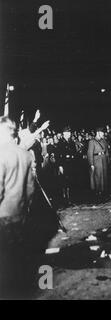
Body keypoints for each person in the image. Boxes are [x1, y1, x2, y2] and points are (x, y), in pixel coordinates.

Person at [0, 116, 36, 298]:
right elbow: (30, 189)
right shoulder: (24, 154)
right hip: (20, 212)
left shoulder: (1, 154)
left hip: (3, 213)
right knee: (17, 252)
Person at [57, 126, 78, 204]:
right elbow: (58, 156)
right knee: (64, 181)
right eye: (68, 132)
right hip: (64, 164)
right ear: (64, 133)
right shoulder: (60, 142)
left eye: (69, 132)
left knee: (70, 180)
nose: (69, 134)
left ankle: (70, 198)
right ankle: (65, 198)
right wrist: (60, 166)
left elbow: (74, 152)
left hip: (71, 163)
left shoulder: (71, 142)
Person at [87, 127, 109, 201]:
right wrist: (91, 164)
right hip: (96, 160)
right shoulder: (92, 141)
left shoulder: (104, 141)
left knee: (104, 176)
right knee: (97, 177)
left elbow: (106, 151)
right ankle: (97, 193)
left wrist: (107, 159)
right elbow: (90, 153)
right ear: (98, 133)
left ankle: (103, 192)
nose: (103, 134)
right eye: (102, 133)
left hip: (103, 160)